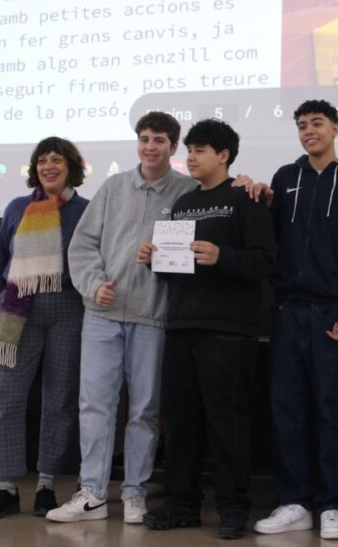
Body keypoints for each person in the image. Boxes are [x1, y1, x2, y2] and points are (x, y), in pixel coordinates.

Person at [48, 112, 195, 525]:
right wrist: (93, 285)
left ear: (173, 146)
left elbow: (191, 253)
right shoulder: (113, 187)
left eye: (159, 140)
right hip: (102, 315)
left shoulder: (188, 192)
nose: (150, 147)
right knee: (95, 404)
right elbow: (82, 246)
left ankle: (134, 492)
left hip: (153, 317)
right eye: (145, 138)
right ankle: (93, 492)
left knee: (145, 410)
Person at [138, 119, 276, 540]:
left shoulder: (246, 198)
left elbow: (264, 262)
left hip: (228, 327)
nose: (191, 157)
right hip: (181, 322)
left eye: (200, 150)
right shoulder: (183, 203)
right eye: (190, 150)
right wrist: (155, 259)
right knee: (181, 419)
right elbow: (177, 268)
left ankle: (233, 507)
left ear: (224, 155)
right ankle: (181, 502)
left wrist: (223, 256)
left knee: (227, 420)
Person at [252, 99, 338, 540]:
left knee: (331, 411)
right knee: (287, 410)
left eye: (317, 123)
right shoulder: (285, 178)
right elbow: (268, 243)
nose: (309, 131)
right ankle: (295, 501)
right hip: (287, 313)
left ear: (336, 128)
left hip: (332, 315)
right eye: (302, 125)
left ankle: (333, 504)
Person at [0, 137, 89, 519]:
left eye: (56, 159)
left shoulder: (86, 211)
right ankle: (6, 488)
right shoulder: (16, 208)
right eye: (42, 160)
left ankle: (46, 485)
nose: (48, 166)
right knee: (5, 397)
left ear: (71, 167)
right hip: (17, 311)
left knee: (60, 400)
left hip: (68, 310)